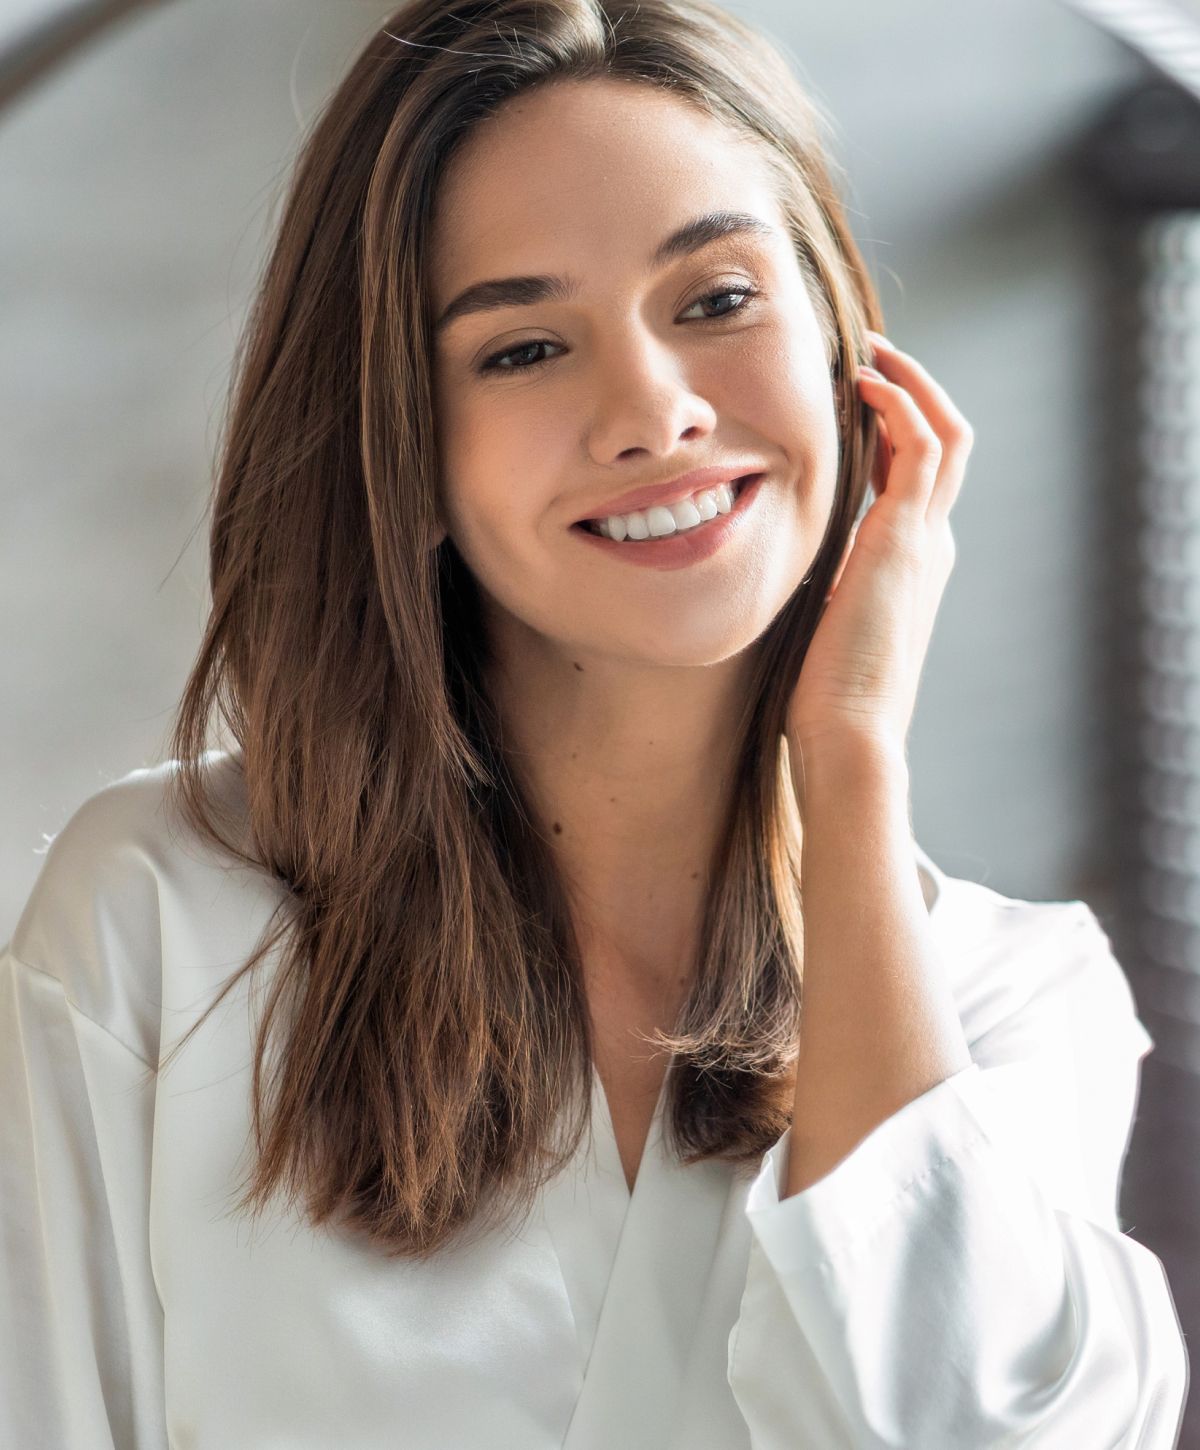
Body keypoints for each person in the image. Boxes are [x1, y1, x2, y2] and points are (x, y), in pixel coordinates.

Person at [0, 0, 1189, 1445]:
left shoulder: (1014, 1001)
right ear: (405, 448)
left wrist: (853, 760)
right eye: (521, 350)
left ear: (847, 352)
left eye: (716, 300)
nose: (652, 410)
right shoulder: (157, 924)